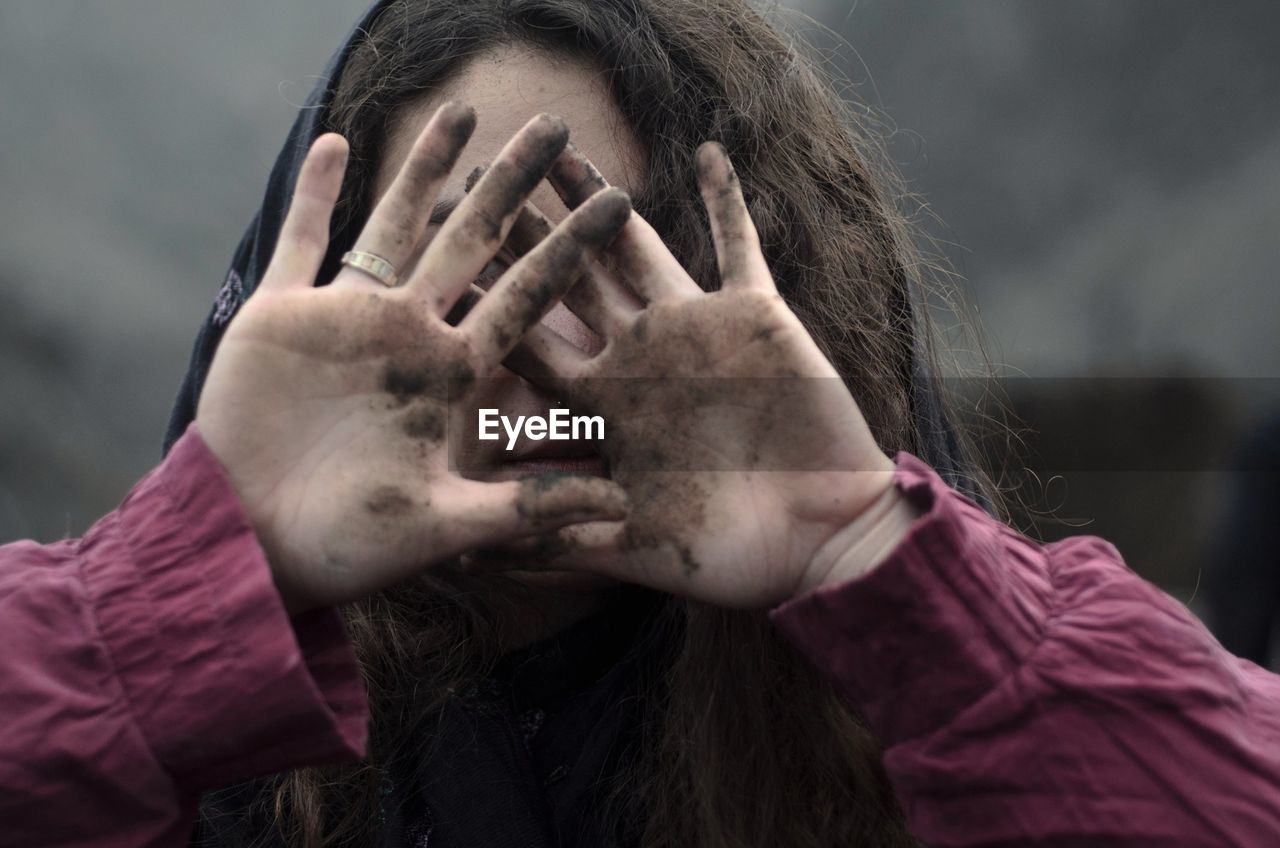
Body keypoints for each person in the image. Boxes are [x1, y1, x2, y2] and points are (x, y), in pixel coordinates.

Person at [2, 1, 1278, 846]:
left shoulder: (927, 734)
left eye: (609, 270)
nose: (527, 360)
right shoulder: (192, 772)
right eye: (453, 270)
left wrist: (883, 576)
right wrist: (171, 606)